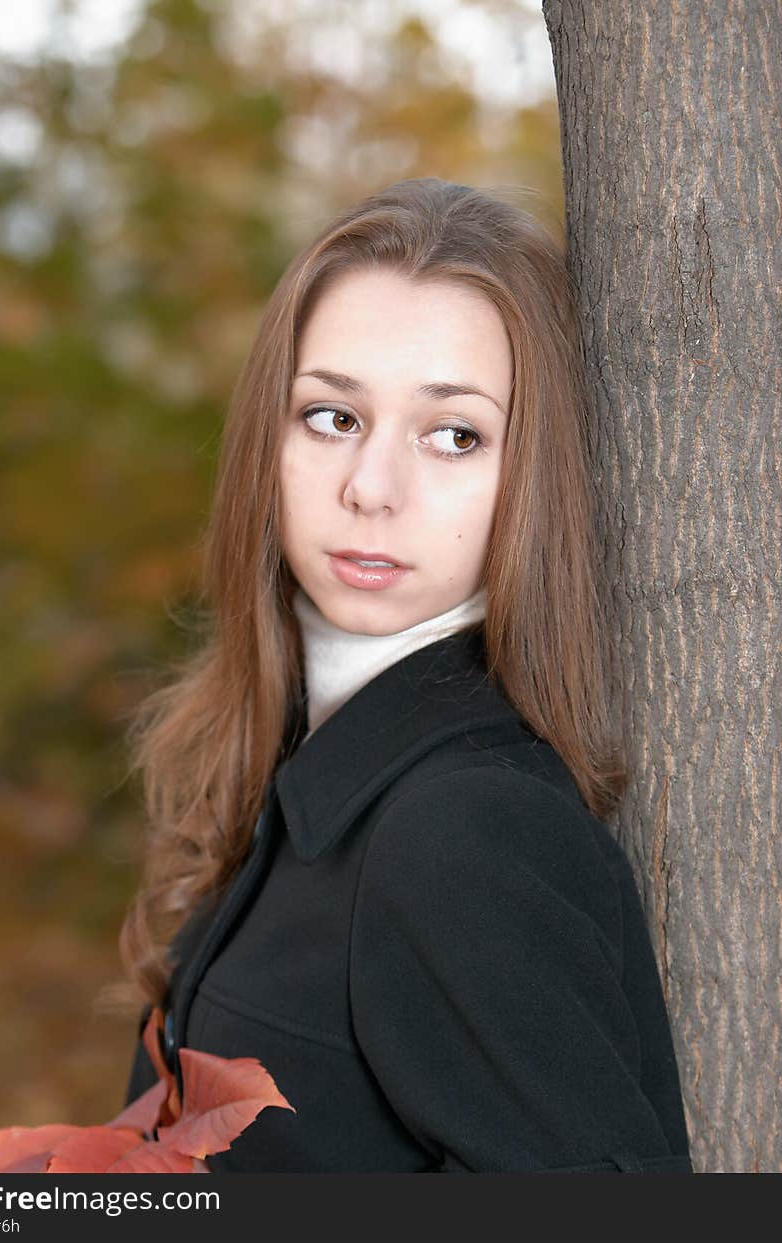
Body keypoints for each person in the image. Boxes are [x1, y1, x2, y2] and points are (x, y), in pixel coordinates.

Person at [110, 177, 693, 1173]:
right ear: (269, 438)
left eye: (454, 434)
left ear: (533, 475)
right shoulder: (311, 762)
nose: (370, 488)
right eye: (332, 416)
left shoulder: (462, 833)